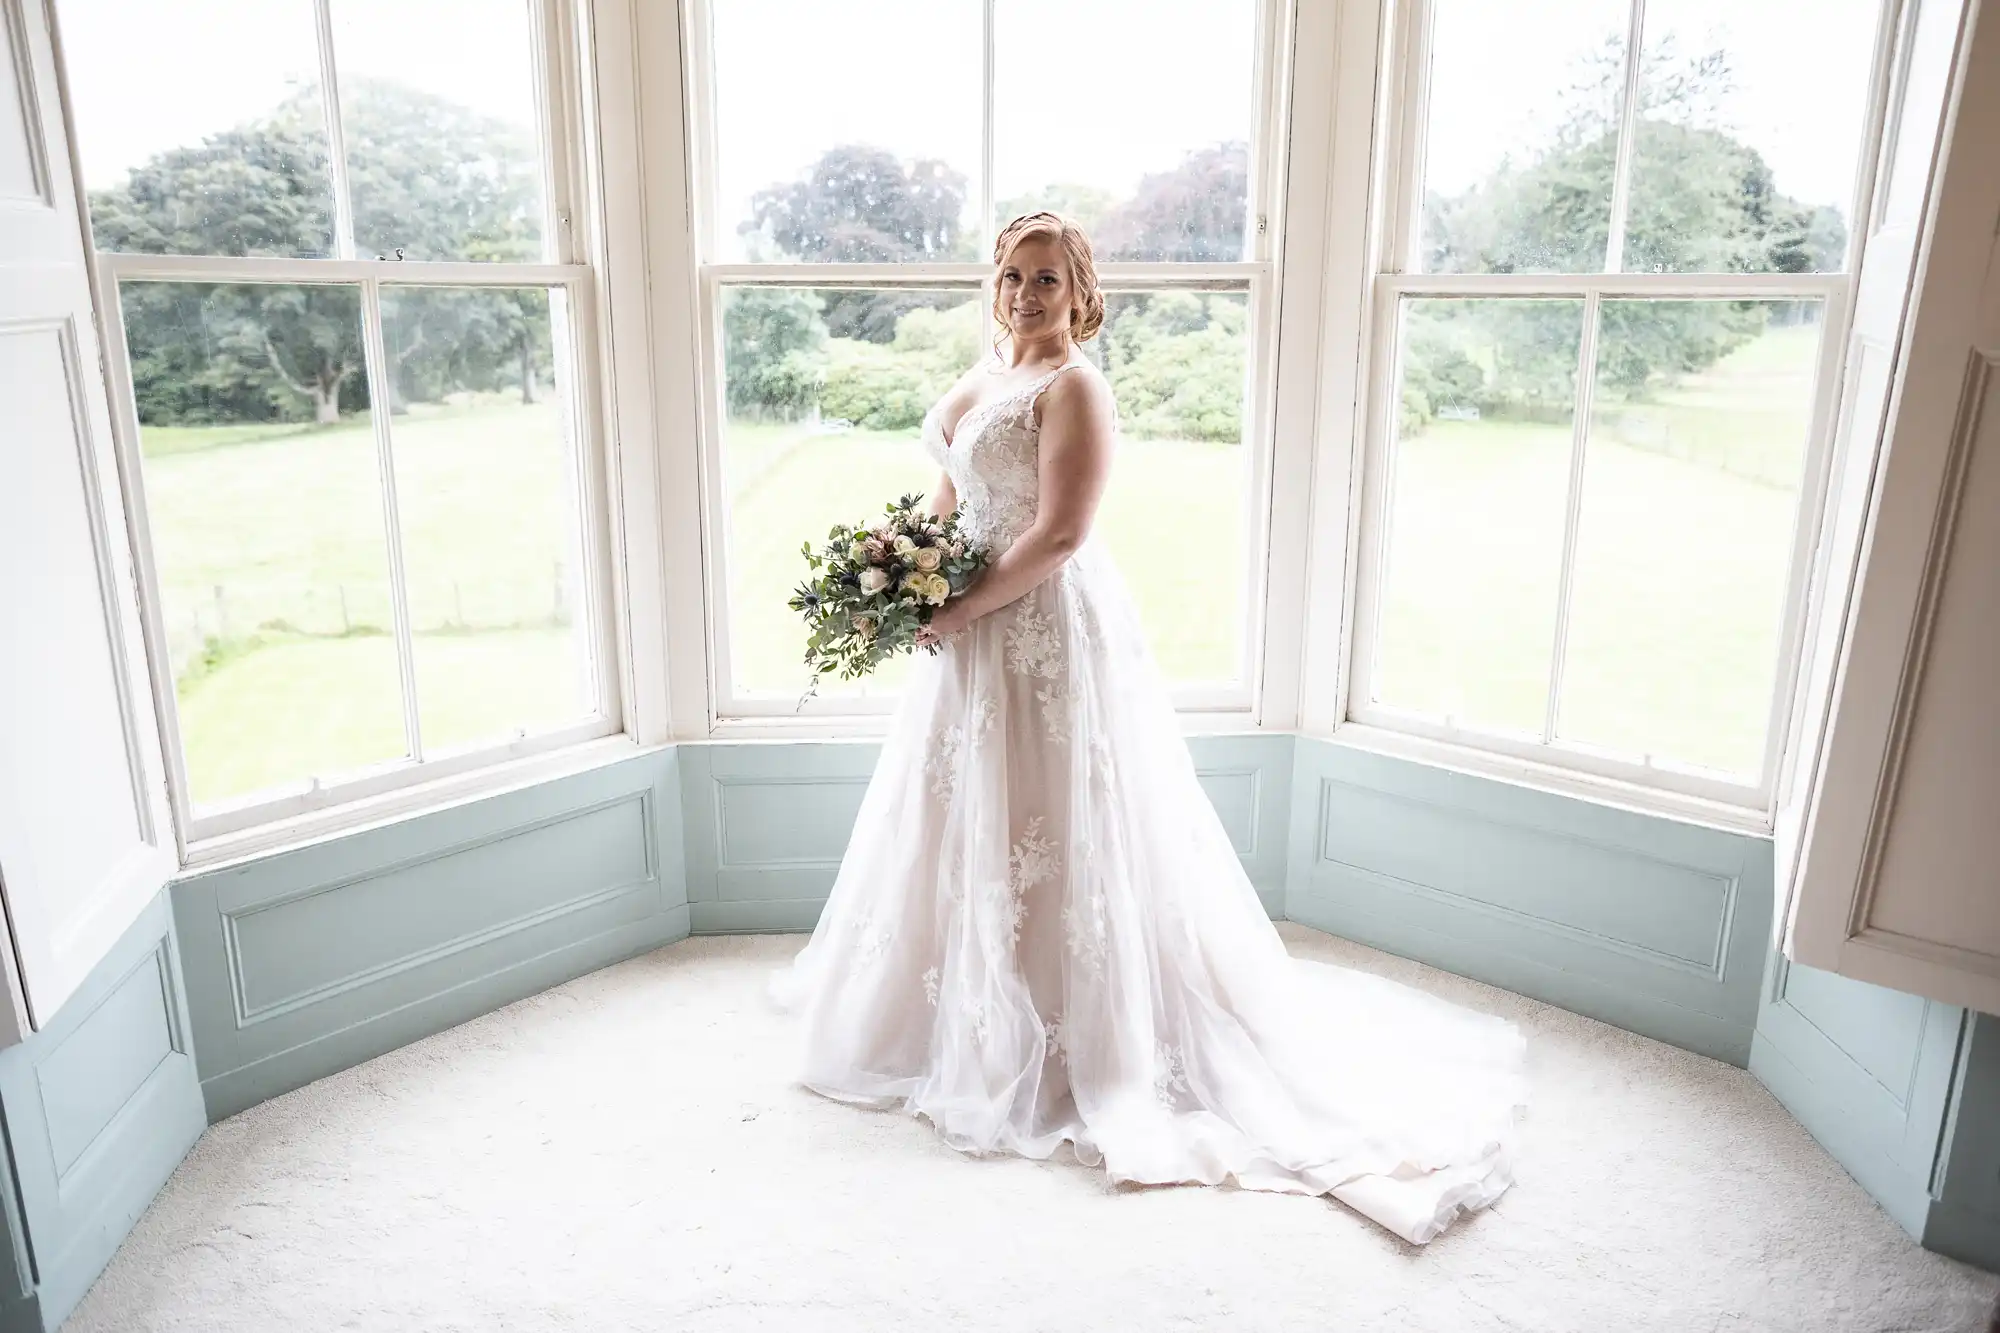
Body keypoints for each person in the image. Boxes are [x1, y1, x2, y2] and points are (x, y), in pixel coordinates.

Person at [771, 212, 1526, 1244]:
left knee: (1052, 820)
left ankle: (1077, 1033)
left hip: (1034, 624)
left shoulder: (1075, 387)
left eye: (1046, 278)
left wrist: (957, 607)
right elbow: (949, 493)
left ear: (1080, 291)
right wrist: (901, 571)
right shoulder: (985, 371)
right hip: (964, 631)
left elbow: (1061, 533)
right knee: (963, 811)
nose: (1025, 292)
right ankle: (956, 1012)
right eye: (1011, 274)